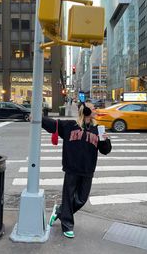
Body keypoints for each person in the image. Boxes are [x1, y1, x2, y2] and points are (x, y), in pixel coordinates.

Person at [42, 102, 112, 238]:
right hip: (72, 168)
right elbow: (53, 124)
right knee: (68, 197)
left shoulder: (98, 129)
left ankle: (59, 211)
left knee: (82, 199)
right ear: (85, 111)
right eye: (93, 108)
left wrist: (106, 140)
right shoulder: (70, 125)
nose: (95, 110)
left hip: (88, 169)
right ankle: (67, 224)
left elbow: (105, 150)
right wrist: (37, 119)